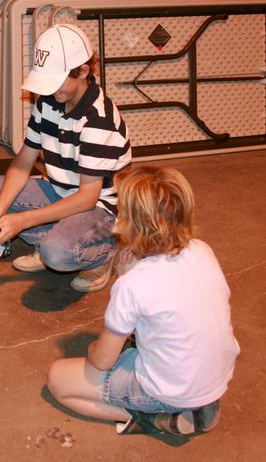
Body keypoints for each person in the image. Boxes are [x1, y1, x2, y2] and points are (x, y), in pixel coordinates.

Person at [47, 165, 240, 436]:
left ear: (137, 226)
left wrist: (93, 348)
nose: (115, 223)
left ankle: (150, 418)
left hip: (168, 391)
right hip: (215, 378)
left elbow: (102, 359)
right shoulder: (202, 250)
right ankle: (197, 406)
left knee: (58, 379)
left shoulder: (133, 285)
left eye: (122, 214)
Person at [0, 23, 131, 292]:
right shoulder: (49, 102)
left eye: (56, 81)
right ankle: (52, 236)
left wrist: (23, 220)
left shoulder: (99, 121)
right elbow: (23, 161)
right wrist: (1, 208)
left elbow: (88, 197)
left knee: (58, 254)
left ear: (83, 71)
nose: (50, 91)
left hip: (97, 207)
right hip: (58, 190)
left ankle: (101, 253)